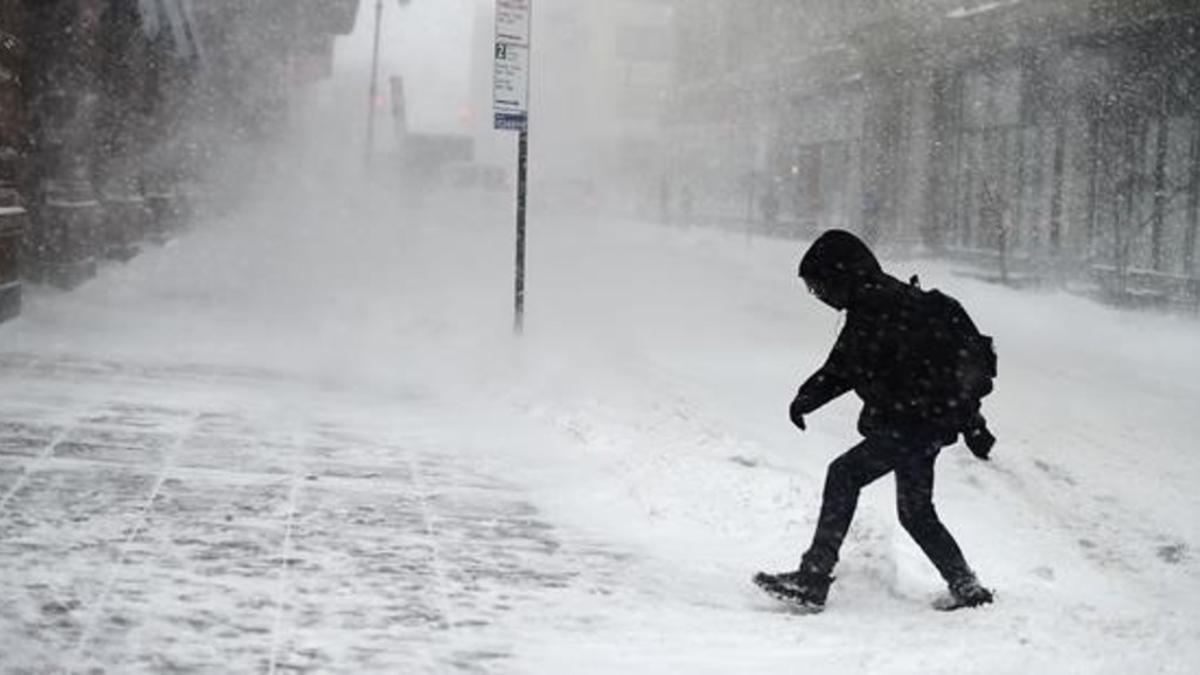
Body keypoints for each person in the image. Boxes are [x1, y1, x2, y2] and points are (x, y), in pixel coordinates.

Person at [755, 229, 996, 612]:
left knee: (844, 475)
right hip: (929, 424)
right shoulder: (890, 300)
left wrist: (806, 398)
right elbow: (858, 366)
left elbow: (843, 368)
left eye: (820, 287)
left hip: (912, 424)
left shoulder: (876, 307)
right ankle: (967, 587)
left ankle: (813, 577)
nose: (820, 297)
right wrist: (973, 425)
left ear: (842, 275)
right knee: (916, 513)